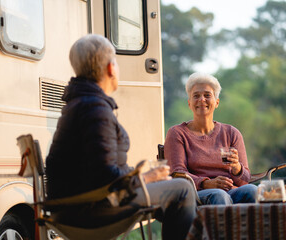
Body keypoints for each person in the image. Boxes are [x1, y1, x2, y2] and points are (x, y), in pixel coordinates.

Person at [45, 34, 196, 240]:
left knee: (171, 190)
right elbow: (104, 175)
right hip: (90, 209)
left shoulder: (80, 103)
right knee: (183, 189)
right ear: (110, 68)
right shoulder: (94, 109)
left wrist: (137, 175)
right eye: (116, 61)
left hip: (76, 205)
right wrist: (145, 177)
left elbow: (97, 169)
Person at [164, 72, 257, 205]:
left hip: (231, 192)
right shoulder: (177, 133)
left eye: (207, 95)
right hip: (196, 195)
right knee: (219, 195)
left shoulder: (231, 133)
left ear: (216, 102)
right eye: (196, 96)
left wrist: (237, 167)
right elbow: (177, 174)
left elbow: (244, 181)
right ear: (189, 103)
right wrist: (207, 183)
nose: (202, 99)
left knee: (253, 191)